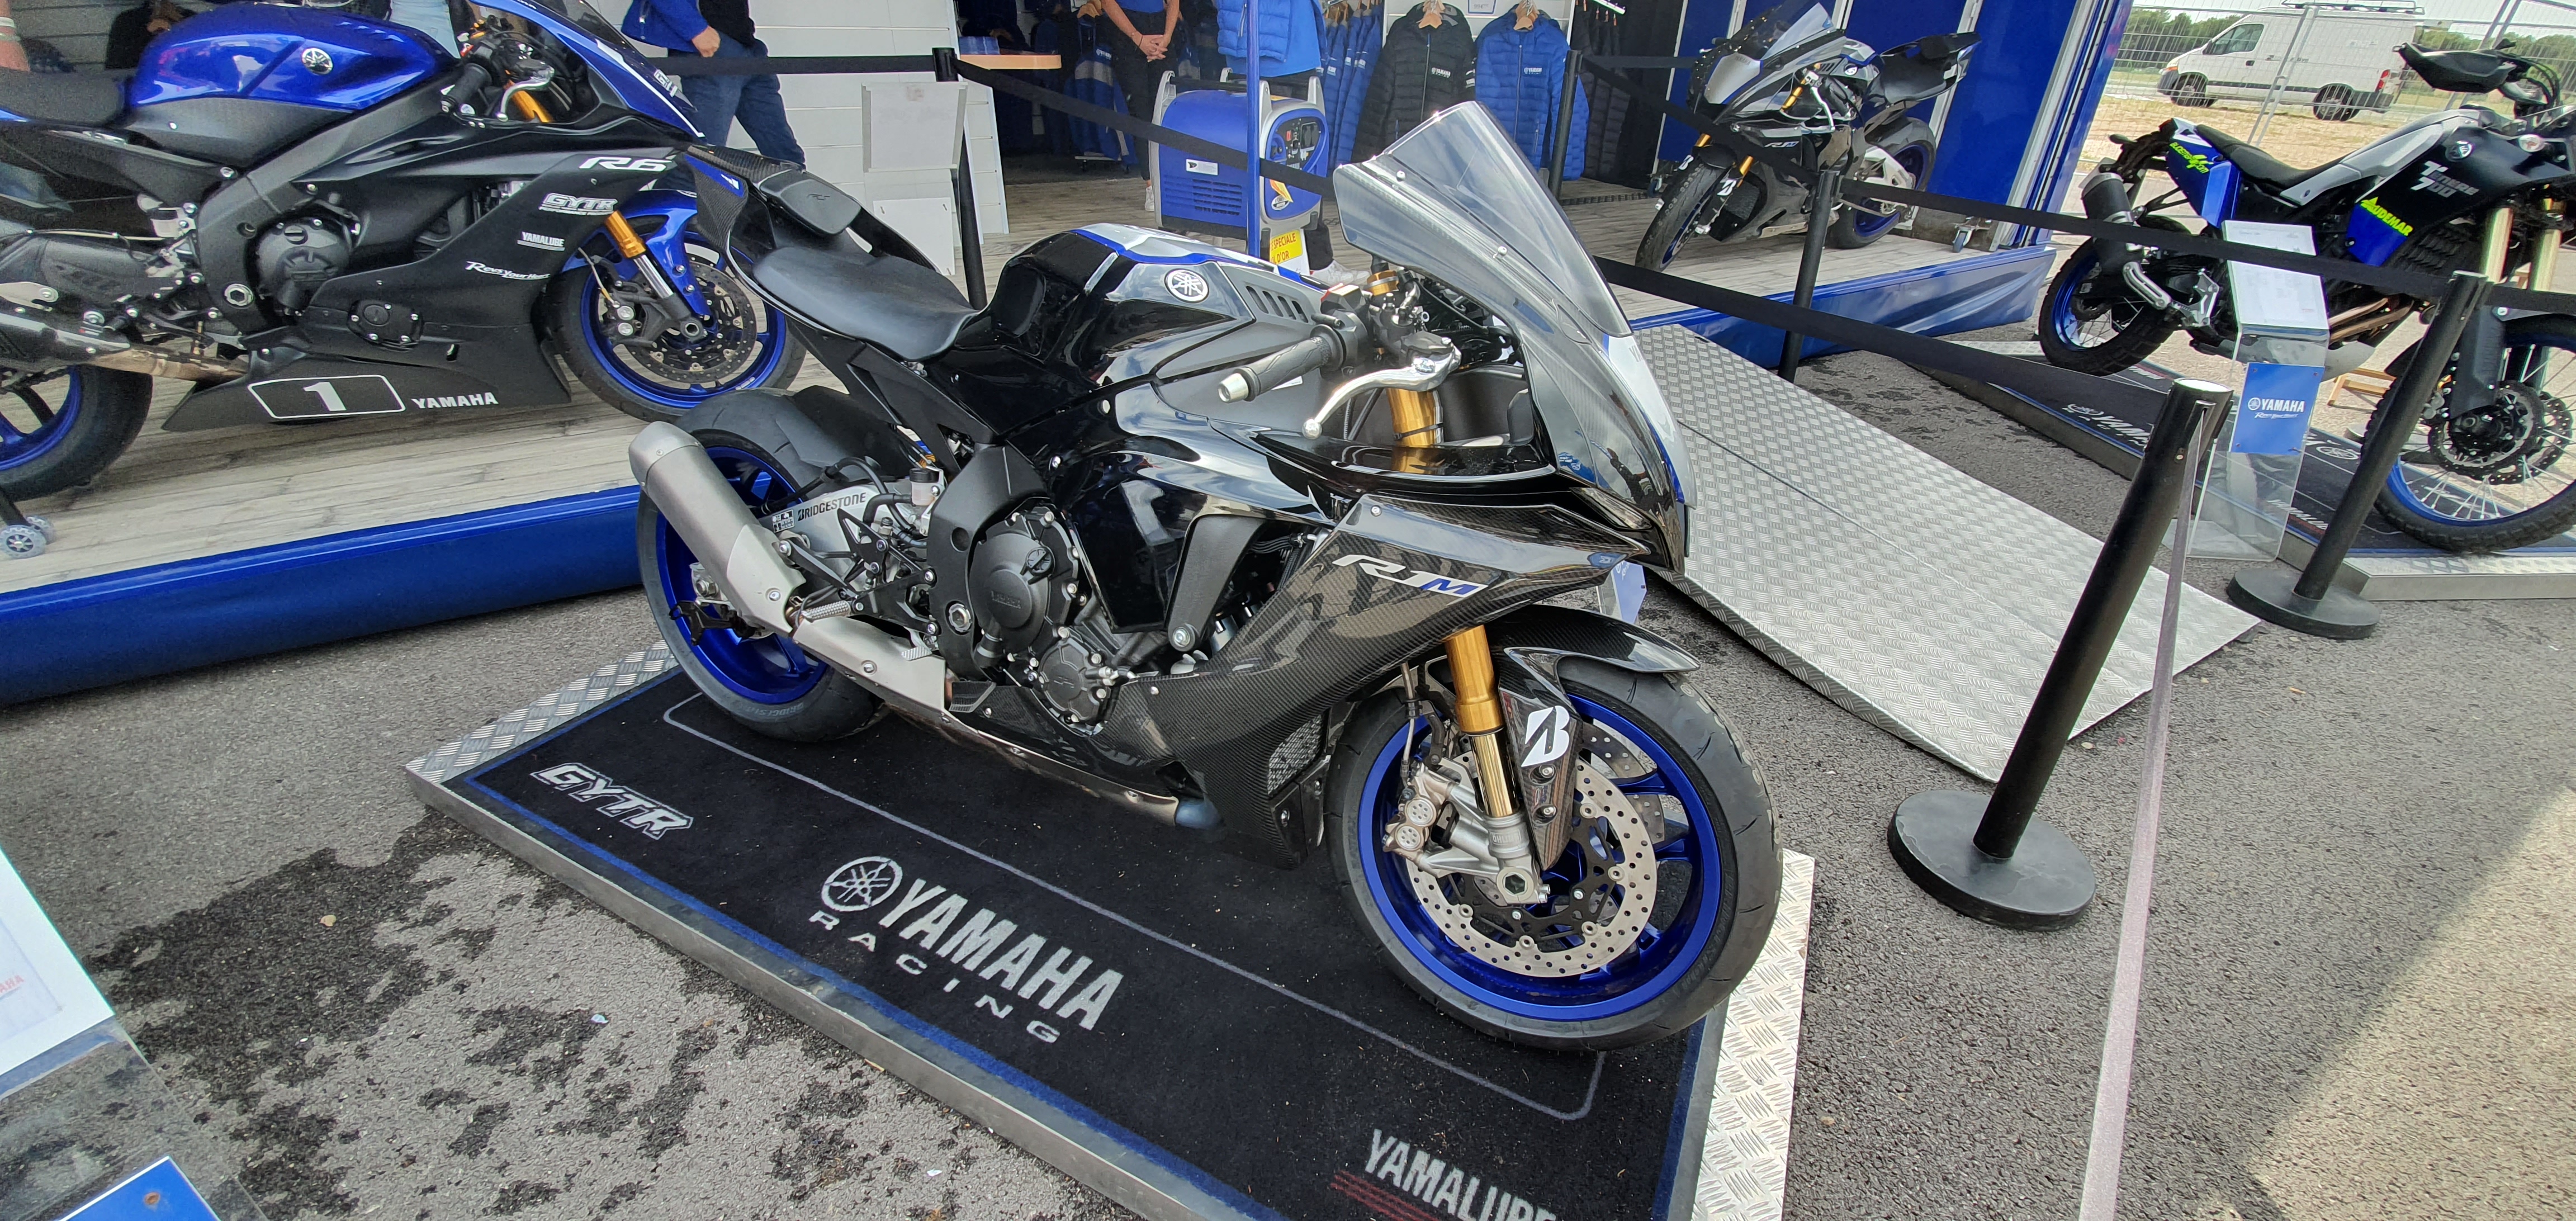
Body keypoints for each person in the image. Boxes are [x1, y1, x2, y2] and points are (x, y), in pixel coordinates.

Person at [622, 0, 804, 165]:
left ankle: (799, 192)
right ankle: (674, 193)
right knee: (703, 159)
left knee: (786, 156)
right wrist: (695, 30)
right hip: (713, 52)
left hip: (748, 48)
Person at [1096, 0, 1176, 174]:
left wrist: (1167, 37)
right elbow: (1107, 3)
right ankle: (1150, 182)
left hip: (1161, 29)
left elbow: (1174, 2)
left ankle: (1167, 177)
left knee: (1165, 110)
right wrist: (1137, 38)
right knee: (1140, 111)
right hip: (1127, 28)